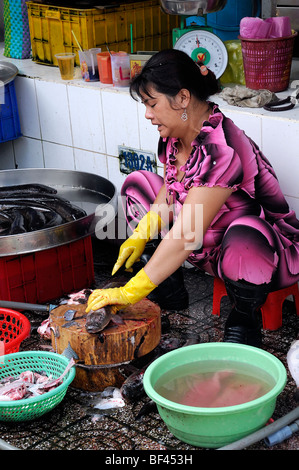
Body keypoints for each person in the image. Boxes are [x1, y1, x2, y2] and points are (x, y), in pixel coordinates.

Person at [86, 49, 299, 348]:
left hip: (268, 254)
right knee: (138, 185)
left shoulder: (222, 148)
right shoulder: (176, 132)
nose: (148, 114)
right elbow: (169, 190)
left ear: (183, 98)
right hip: (207, 244)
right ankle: (170, 286)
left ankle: (244, 316)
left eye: (152, 104)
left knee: (245, 236)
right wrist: (142, 234)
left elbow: (187, 233)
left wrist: (132, 290)